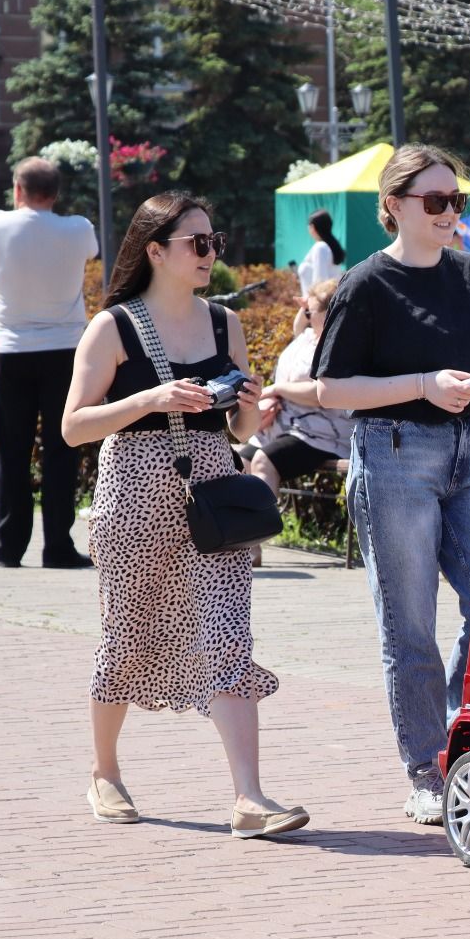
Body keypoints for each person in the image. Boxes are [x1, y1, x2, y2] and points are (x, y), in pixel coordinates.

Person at [61, 191, 307, 839]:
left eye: (213, 241)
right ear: (154, 252)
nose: (210, 254)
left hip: (213, 488)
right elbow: (73, 427)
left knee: (228, 635)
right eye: (197, 243)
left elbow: (242, 427)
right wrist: (148, 398)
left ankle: (249, 798)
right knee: (127, 635)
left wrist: (253, 409)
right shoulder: (112, 326)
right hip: (134, 488)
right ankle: (105, 773)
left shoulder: (225, 324)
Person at [312, 144, 470, 824]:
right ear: (395, 206)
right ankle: (427, 772)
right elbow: (328, 387)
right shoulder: (365, 285)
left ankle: (468, 746)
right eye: (435, 201)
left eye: (456, 200)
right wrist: (424, 387)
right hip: (396, 451)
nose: (449, 212)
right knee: (409, 625)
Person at [0, 156, 99, 569]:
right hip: (66, 349)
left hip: (11, 349)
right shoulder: (79, 229)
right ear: (58, 193)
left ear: (17, 189)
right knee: (61, 449)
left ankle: (8, 549)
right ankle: (58, 548)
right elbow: (93, 252)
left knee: (11, 451)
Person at [238, 277, 352, 497]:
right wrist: (306, 307)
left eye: (312, 313)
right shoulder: (308, 336)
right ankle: (244, 530)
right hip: (284, 427)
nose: (308, 319)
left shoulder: (340, 345)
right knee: (240, 462)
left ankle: (262, 528)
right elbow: (298, 325)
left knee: (264, 461)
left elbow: (321, 394)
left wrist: (276, 390)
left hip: (321, 434)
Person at [297, 209, 345, 297]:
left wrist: (311, 307)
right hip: (320, 304)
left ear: (312, 227)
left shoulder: (320, 248)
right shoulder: (326, 246)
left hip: (317, 306)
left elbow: (320, 281)